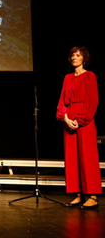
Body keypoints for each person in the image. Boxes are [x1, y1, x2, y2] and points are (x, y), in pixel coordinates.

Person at [56, 46, 102, 209]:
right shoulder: (67, 78)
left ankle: (92, 196)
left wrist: (80, 120)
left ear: (84, 59)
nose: (74, 58)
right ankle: (77, 194)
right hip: (69, 119)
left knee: (87, 157)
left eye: (78, 55)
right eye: (72, 55)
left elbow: (92, 100)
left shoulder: (90, 76)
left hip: (84, 120)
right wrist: (65, 117)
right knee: (72, 158)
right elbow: (62, 100)